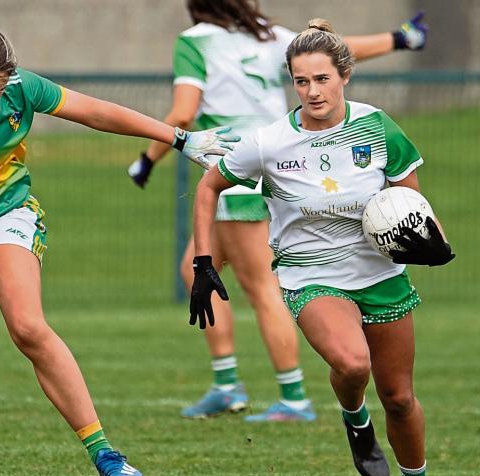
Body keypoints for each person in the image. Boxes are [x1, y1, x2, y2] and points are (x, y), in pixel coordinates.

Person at [0, 27, 238, 476]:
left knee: (29, 326)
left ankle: (105, 453)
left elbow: (95, 111)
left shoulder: (19, 88)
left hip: (4, 214)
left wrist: (179, 138)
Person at [188, 19, 456, 476]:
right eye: (301, 81)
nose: (312, 91)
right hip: (310, 274)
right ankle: (356, 418)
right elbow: (208, 186)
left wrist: (428, 242)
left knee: (399, 397)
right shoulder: (269, 142)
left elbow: (410, 202)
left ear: (345, 76)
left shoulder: (378, 129)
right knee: (354, 365)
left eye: (322, 79)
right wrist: (204, 262)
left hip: (380, 274)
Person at [127, 0, 429, 422]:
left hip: (246, 164)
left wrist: (148, 157)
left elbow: (182, 111)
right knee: (196, 268)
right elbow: (339, 48)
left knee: (262, 286)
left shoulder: (194, 42)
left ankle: (290, 394)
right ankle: (227, 382)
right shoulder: (267, 35)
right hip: (281, 162)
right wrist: (399, 39)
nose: (312, 86)